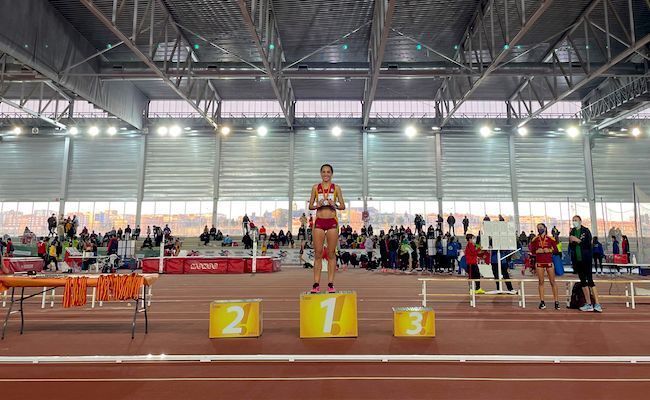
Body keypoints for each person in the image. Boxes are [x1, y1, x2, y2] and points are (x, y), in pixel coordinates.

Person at [308, 164, 345, 293]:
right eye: (323, 172)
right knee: (318, 253)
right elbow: (310, 206)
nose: (326, 174)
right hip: (319, 222)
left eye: (328, 172)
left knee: (331, 253)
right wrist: (316, 205)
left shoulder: (336, 188)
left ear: (331, 174)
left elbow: (343, 206)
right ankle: (316, 284)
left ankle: (330, 284)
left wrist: (334, 204)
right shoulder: (315, 188)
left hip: (332, 222)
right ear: (320, 173)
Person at [569, 215, 602, 312]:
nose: (574, 222)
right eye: (573, 220)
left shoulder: (586, 231)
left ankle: (597, 304)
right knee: (583, 281)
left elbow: (588, 244)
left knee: (590, 281)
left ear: (580, 221)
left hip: (586, 259)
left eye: (576, 220)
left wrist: (577, 240)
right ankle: (588, 303)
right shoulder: (572, 231)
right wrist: (571, 241)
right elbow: (572, 245)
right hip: (577, 260)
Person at [529, 223, 560, 310]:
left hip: (549, 262)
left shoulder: (550, 239)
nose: (539, 229)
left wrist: (549, 250)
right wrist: (537, 251)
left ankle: (556, 302)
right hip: (539, 263)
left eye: (541, 227)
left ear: (545, 228)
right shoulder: (535, 239)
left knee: (552, 282)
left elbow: (556, 250)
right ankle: (542, 302)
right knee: (541, 282)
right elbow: (532, 251)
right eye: (538, 228)